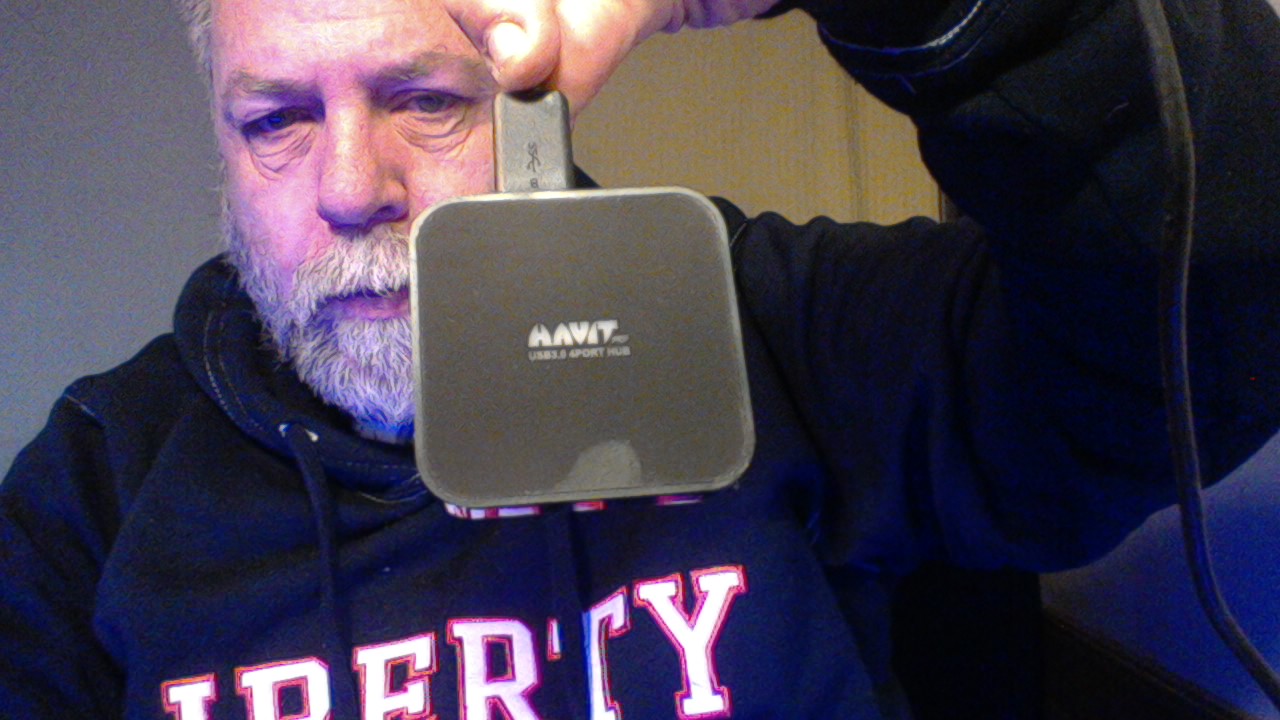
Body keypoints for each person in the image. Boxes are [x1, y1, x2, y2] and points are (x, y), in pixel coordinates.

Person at [2, 0, 1277, 717]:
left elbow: (1204, 320)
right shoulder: (92, 498)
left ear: (534, 109)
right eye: (276, 120)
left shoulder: (760, 329)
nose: (350, 187)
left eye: (426, 101)